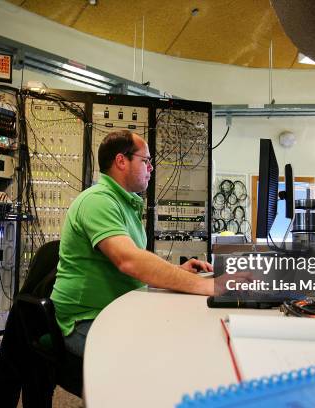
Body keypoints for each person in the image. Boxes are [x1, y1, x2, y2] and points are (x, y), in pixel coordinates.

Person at [50, 129, 218, 357]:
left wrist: (178, 272)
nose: (151, 168)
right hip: (86, 320)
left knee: (181, 336)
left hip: (115, 310)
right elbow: (130, 261)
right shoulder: (97, 201)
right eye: (146, 161)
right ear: (121, 161)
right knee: (161, 355)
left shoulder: (124, 204)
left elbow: (136, 267)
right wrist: (207, 286)